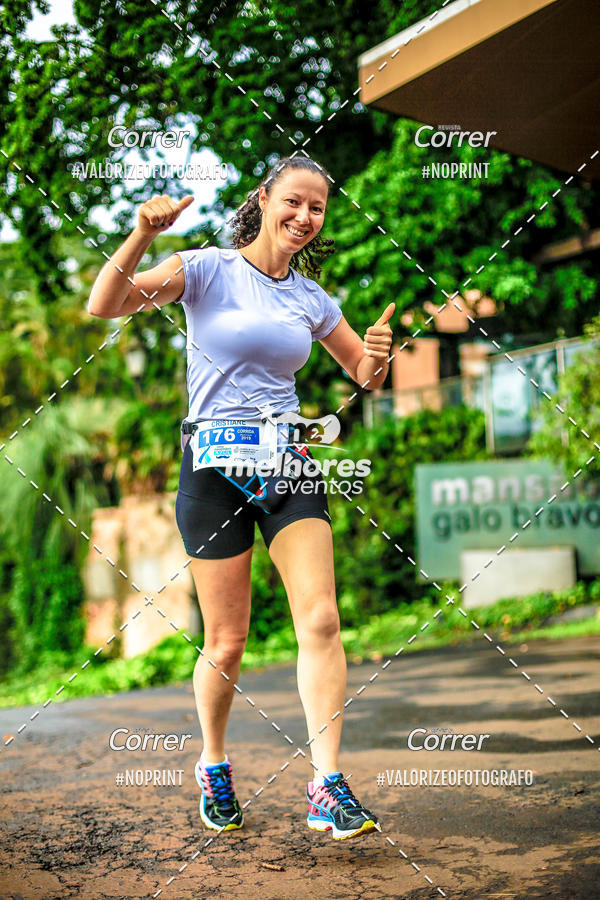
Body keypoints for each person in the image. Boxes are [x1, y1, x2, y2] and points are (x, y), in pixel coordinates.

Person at [87, 155, 394, 841]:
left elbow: (364, 374)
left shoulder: (310, 300)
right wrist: (140, 233)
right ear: (264, 199)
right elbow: (103, 303)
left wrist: (377, 353)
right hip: (212, 466)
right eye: (293, 202)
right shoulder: (205, 270)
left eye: (316, 208)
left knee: (320, 620)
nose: (304, 218)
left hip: (288, 460)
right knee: (226, 642)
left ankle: (326, 786)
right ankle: (215, 765)